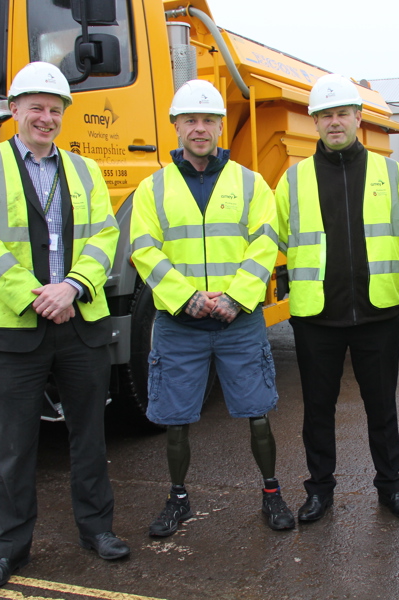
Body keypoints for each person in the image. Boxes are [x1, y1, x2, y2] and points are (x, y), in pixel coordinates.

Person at [0, 62, 128, 589]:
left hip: (80, 323)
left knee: (89, 436)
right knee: (13, 446)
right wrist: (36, 298)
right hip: (17, 326)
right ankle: (8, 550)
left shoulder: (85, 169)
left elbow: (105, 237)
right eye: (36, 107)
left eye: (55, 110)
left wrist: (73, 287)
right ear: (14, 111)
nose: (46, 117)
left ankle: (97, 530)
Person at [130, 79, 294, 536]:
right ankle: (178, 498)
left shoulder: (250, 182)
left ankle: (271, 491)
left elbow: (266, 242)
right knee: (175, 416)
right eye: (190, 121)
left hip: (237, 320)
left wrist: (236, 297)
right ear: (176, 127)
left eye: (208, 121)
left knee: (256, 409)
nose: (199, 129)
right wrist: (187, 298)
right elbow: (145, 249)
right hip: (179, 322)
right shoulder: (153, 188)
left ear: (221, 127)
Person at [275, 73, 399, 522]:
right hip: (317, 316)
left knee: (382, 407)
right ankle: (319, 490)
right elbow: (279, 235)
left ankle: (391, 488)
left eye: (342, 113)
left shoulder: (392, 175)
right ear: (314, 122)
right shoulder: (293, 180)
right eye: (325, 115)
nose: (334, 122)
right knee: (317, 410)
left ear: (358, 117)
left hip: (378, 311)